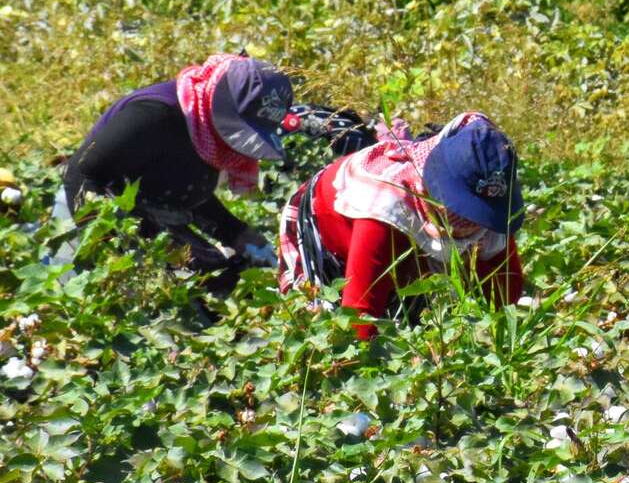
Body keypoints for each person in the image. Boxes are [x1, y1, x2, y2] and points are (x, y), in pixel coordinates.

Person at [277, 112, 526, 341]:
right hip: (324, 231)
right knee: (324, 331)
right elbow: (359, 317)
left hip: (404, 238)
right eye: (462, 211)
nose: (470, 224)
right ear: (435, 187)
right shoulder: (385, 207)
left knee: (414, 312)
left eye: (479, 215)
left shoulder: (491, 201)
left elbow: (506, 294)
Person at [61, 53, 295, 285]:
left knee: (219, 279)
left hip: (148, 217)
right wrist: (114, 252)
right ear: (223, 104)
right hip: (82, 220)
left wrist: (235, 232)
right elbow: (81, 175)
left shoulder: (209, 136)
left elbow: (178, 184)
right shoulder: (156, 114)